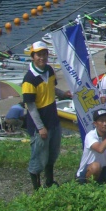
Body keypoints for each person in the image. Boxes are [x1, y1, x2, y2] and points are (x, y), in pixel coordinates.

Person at [22, 41, 62, 190]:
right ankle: (36, 189)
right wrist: (40, 127)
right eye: (39, 55)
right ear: (33, 56)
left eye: (44, 54)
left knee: (52, 154)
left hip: (53, 120)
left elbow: (53, 89)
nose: (42, 57)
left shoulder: (49, 70)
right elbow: (30, 106)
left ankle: (50, 182)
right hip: (40, 125)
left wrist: (64, 94)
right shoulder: (29, 79)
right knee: (38, 157)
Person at [76, 109, 106, 183]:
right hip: (88, 172)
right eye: (101, 121)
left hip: (105, 170)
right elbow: (100, 149)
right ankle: (89, 188)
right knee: (95, 167)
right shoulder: (90, 135)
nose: (105, 123)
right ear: (95, 124)